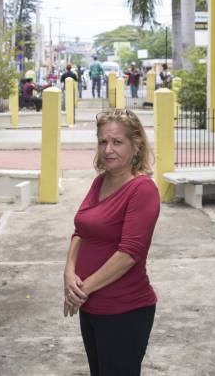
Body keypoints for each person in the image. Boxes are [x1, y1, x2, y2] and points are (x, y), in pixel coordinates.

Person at [64, 109, 160, 376]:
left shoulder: (142, 190)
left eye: (117, 142)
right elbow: (80, 230)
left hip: (124, 310)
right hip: (91, 307)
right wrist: (69, 272)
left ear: (136, 144)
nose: (108, 149)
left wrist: (80, 291)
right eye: (102, 142)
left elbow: (129, 254)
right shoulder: (101, 181)